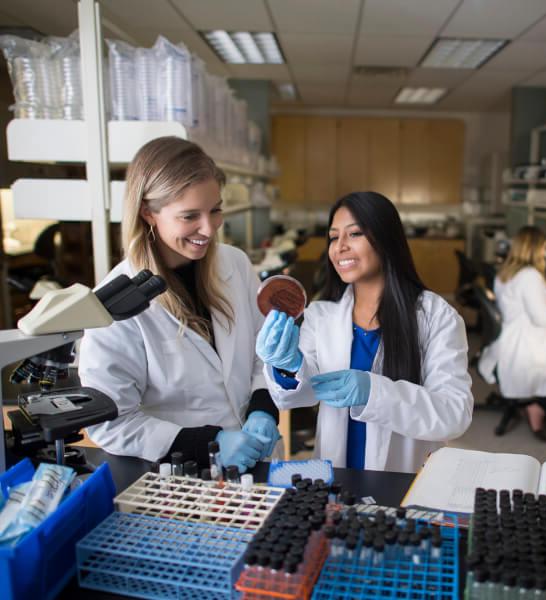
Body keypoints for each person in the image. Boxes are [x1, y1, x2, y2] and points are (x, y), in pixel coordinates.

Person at [78, 137, 280, 472]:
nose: (208, 228)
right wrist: (205, 444)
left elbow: (266, 353)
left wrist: (263, 407)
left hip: (255, 461)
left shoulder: (236, 265)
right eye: (190, 216)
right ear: (148, 212)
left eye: (215, 210)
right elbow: (110, 422)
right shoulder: (116, 302)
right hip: (180, 475)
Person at [255, 191, 473, 473]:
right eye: (334, 237)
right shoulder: (322, 315)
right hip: (336, 477)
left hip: (404, 477)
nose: (340, 247)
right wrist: (288, 366)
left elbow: (455, 414)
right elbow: (298, 396)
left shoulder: (436, 317)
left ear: (386, 240)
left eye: (354, 234)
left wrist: (374, 392)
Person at [479, 225, 546, 442]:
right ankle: (538, 407)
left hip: (509, 341)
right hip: (525, 346)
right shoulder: (530, 276)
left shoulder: (505, 273)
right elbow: (543, 318)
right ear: (538, 249)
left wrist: (545, 287)